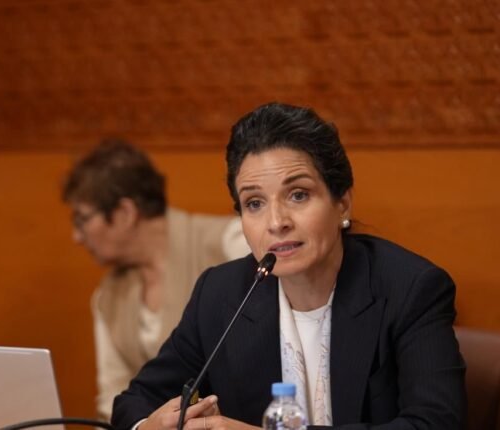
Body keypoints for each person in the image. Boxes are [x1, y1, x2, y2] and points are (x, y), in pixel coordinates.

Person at [111, 103, 467, 429]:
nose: (276, 222)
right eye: (254, 203)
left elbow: (436, 423)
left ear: (342, 203)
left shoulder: (410, 289)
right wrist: (149, 427)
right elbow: (134, 402)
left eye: (298, 195)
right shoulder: (220, 295)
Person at [62, 140, 250, 420]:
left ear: (125, 213)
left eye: (82, 219)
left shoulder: (231, 243)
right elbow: (113, 397)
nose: (77, 236)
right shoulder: (107, 297)